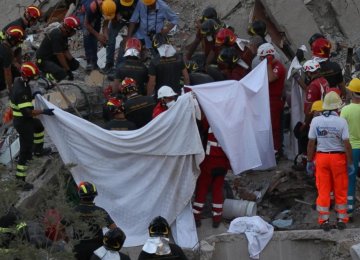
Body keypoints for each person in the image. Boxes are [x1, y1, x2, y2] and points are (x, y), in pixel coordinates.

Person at [307, 91, 354, 231]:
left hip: (321, 158)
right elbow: (346, 144)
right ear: (337, 107)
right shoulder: (341, 122)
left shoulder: (316, 121)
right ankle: (341, 219)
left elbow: (311, 143)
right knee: (340, 189)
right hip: (338, 158)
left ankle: (324, 220)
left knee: (323, 190)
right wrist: (350, 162)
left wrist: (309, 161)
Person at [10, 62, 54, 191]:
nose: (35, 78)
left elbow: (27, 96)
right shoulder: (21, 91)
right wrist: (44, 112)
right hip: (23, 123)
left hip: (24, 120)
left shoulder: (19, 81)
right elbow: (29, 113)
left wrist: (34, 95)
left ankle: (38, 150)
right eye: (33, 76)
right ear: (27, 76)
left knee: (39, 127)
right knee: (25, 152)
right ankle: (20, 181)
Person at [192, 114, 230, 228]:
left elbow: (202, 123)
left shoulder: (210, 121)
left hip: (209, 161)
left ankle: (196, 217)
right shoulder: (229, 127)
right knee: (217, 189)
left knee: (202, 189)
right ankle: (217, 218)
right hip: (223, 162)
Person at [73, 181, 117, 260]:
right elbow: (115, 229)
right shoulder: (100, 212)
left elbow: (60, 228)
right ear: (94, 196)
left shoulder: (73, 211)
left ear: (80, 195)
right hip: (98, 249)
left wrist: (67, 240)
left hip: (78, 249)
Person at [257, 43, 286, 159]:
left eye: (262, 57)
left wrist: (268, 63)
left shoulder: (278, 66)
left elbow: (270, 78)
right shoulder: (268, 66)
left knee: (274, 126)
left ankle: (276, 150)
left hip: (274, 100)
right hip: (267, 99)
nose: (260, 60)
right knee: (267, 126)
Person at [36, 15, 80, 82]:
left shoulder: (64, 34)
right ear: (68, 29)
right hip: (43, 60)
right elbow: (59, 55)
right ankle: (45, 74)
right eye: (74, 30)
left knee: (74, 65)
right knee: (62, 74)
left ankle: (57, 68)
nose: (74, 33)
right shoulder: (56, 35)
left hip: (52, 57)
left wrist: (72, 60)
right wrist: (68, 70)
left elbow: (65, 50)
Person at [340, 78, 360, 219]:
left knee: (351, 179)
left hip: (351, 149)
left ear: (352, 93)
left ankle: (349, 210)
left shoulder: (345, 110)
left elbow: (341, 133)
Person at [102, 0, 138, 73]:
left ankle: (119, 68)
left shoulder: (137, 3)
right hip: (119, 18)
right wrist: (105, 36)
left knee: (127, 43)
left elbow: (133, 21)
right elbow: (106, 22)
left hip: (134, 22)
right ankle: (109, 64)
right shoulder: (114, 3)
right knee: (110, 37)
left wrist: (128, 37)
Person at [83, 0, 116, 71]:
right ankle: (90, 63)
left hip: (97, 12)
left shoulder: (110, 6)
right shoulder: (92, 7)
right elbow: (86, 24)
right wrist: (98, 36)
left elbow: (105, 25)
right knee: (88, 34)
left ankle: (94, 64)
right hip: (84, 12)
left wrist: (106, 37)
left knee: (95, 32)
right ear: (101, 7)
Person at [0, 26, 26, 92]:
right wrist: (10, 89)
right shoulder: (6, 52)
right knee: (2, 85)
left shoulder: (3, 43)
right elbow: (8, 73)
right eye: (19, 41)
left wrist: (14, 62)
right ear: (14, 41)